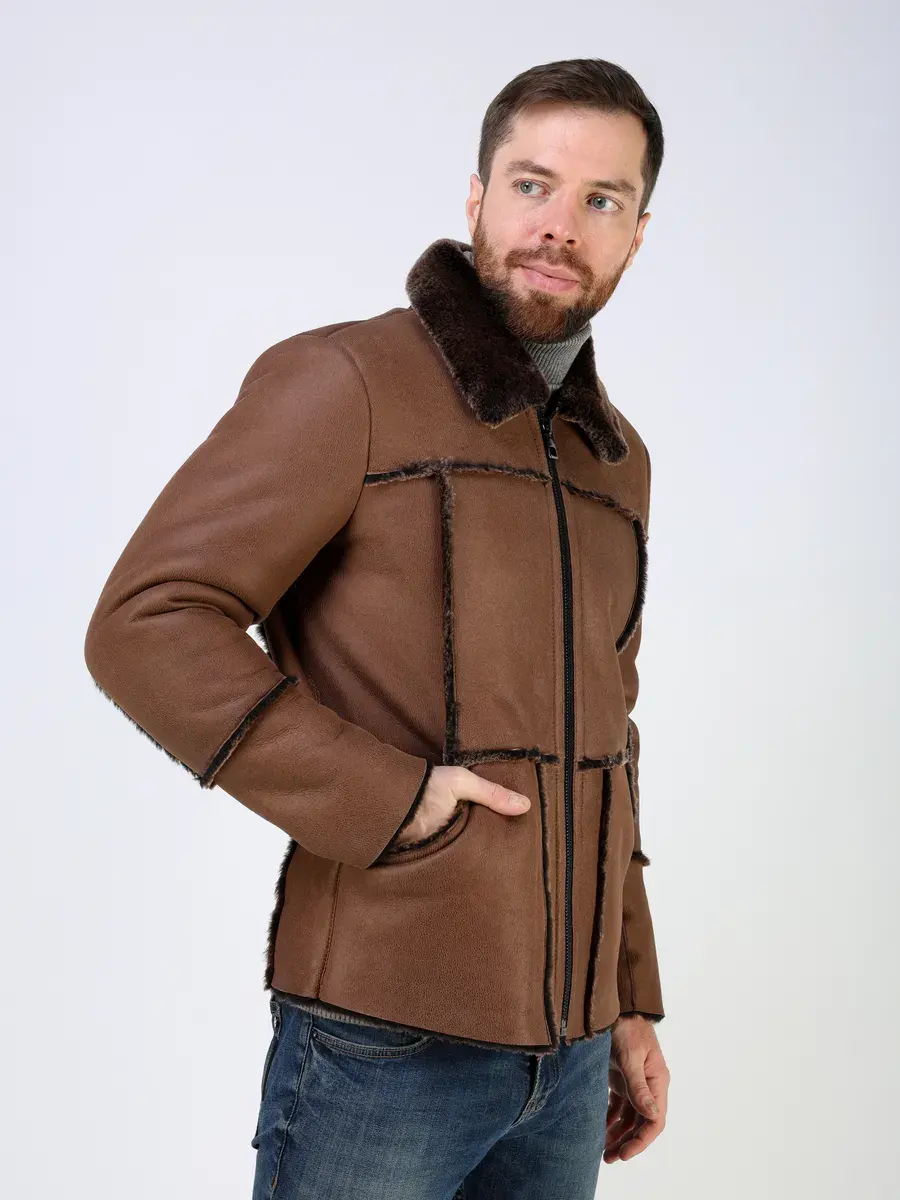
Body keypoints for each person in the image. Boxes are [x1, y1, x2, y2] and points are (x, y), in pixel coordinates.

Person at [84, 55, 671, 1199]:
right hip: (382, 1042)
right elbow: (148, 619)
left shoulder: (617, 458)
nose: (560, 226)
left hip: (573, 1057)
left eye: (601, 199)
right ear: (477, 196)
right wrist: (392, 800)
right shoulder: (345, 380)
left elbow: (613, 737)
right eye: (533, 184)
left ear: (637, 234)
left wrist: (630, 994)